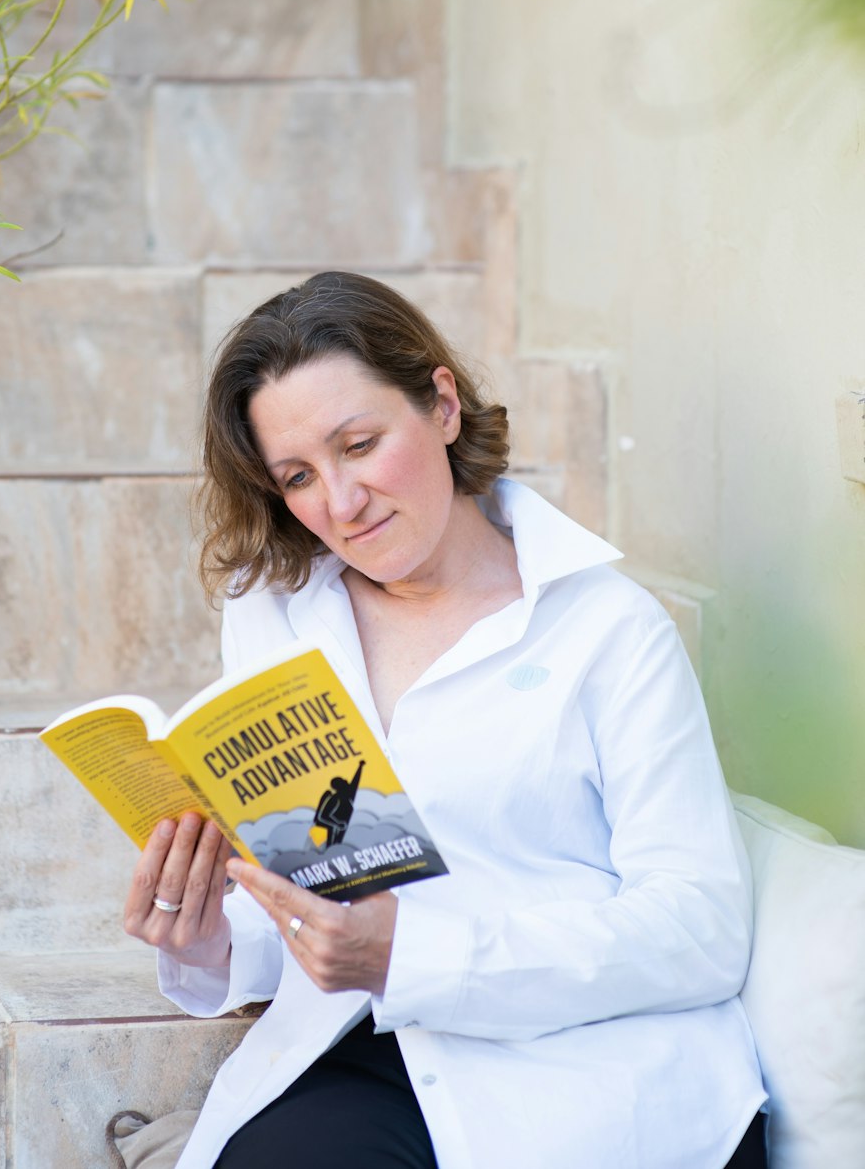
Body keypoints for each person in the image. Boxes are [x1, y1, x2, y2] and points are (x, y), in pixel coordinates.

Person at [118, 271, 767, 1169]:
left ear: (444, 404)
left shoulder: (607, 628)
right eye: (299, 476)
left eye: (361, 443)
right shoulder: (277, 615)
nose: (341, 504)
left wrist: (413, 954)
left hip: (595, 1068)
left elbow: (701, 931)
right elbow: (314, 887)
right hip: (379, 1050)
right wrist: (211, 938)